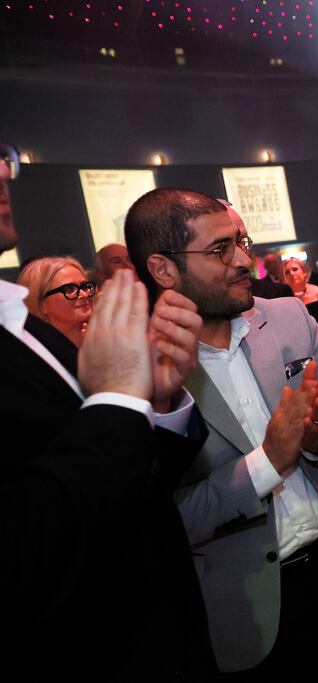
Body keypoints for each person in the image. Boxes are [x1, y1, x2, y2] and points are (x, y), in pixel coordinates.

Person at [124, 187, 318, 681]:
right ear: (163, 270)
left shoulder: (287, 318)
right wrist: (269, 462)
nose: (243, 259)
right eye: (220, 250)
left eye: (241, 241)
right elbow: (165, 522)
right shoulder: (142, 373)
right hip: (253, 600)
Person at [0, 149, 216, 677]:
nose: (5, 167)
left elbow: (120, 488)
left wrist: (154, 402)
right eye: (67, 290)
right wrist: (119, 400)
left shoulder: (18, 328)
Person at [17, 255, 95, 347]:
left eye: (85, 287)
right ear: (41, 304)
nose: (85, 294)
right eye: (69, 289)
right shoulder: (35, 353)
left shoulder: (104, 340)